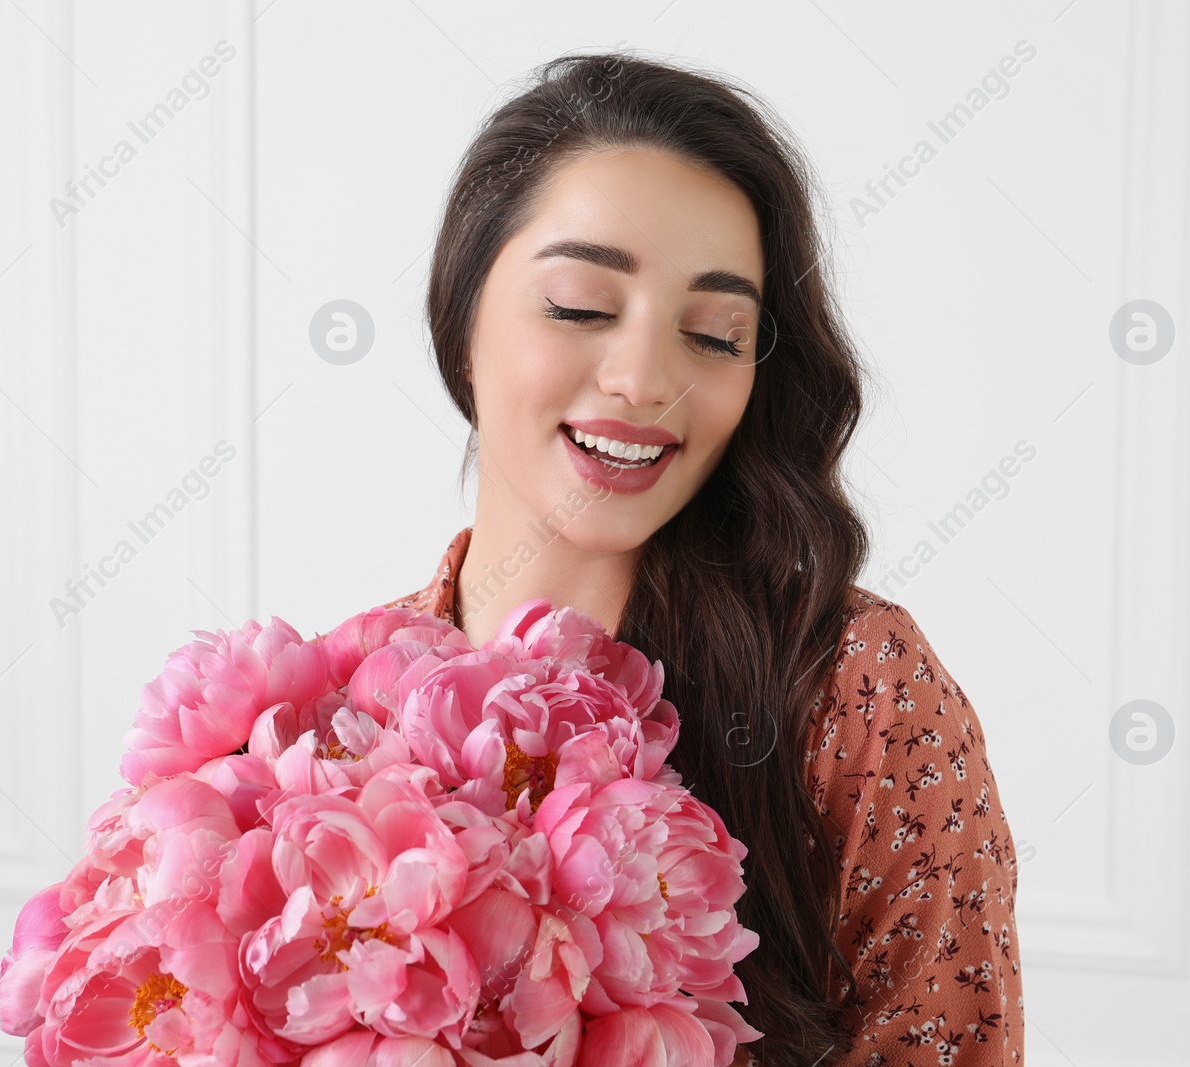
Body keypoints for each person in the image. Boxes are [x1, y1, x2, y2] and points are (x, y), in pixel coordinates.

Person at [382, 49, 1023, 1066]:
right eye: (582, 308)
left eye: (715, 334)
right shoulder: (331, 717)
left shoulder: (854, 686)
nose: (644, 379)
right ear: (462, 323)